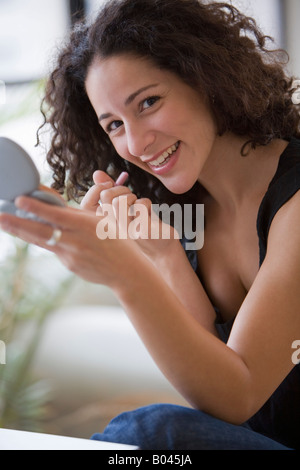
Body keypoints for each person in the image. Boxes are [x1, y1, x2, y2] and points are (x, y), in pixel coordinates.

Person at [1, 0, 300, 450]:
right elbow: (211, 394)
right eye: (115, 124)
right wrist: (163, 255)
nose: (136, 143)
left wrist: (125, 272)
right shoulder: (188, 209)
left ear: (207, 79)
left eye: (149, 102)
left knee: (152, 431)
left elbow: (239, 395)